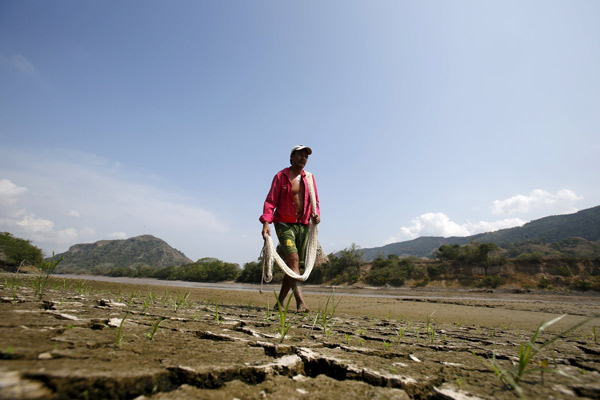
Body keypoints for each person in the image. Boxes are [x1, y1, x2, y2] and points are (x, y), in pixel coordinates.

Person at [260, 145, 321, 312]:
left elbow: (315, 201)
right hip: (284, 223)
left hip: (303, 225)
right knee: (293, 260)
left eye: (305, 156)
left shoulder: (310, 178)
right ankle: (300, 302)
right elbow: (270, 202)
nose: (303, 158)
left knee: (293, 265)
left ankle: (279, 303)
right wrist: (266, 222)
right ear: (291, 157)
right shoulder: (281, 176)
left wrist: (316, 215)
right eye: (299, 155)